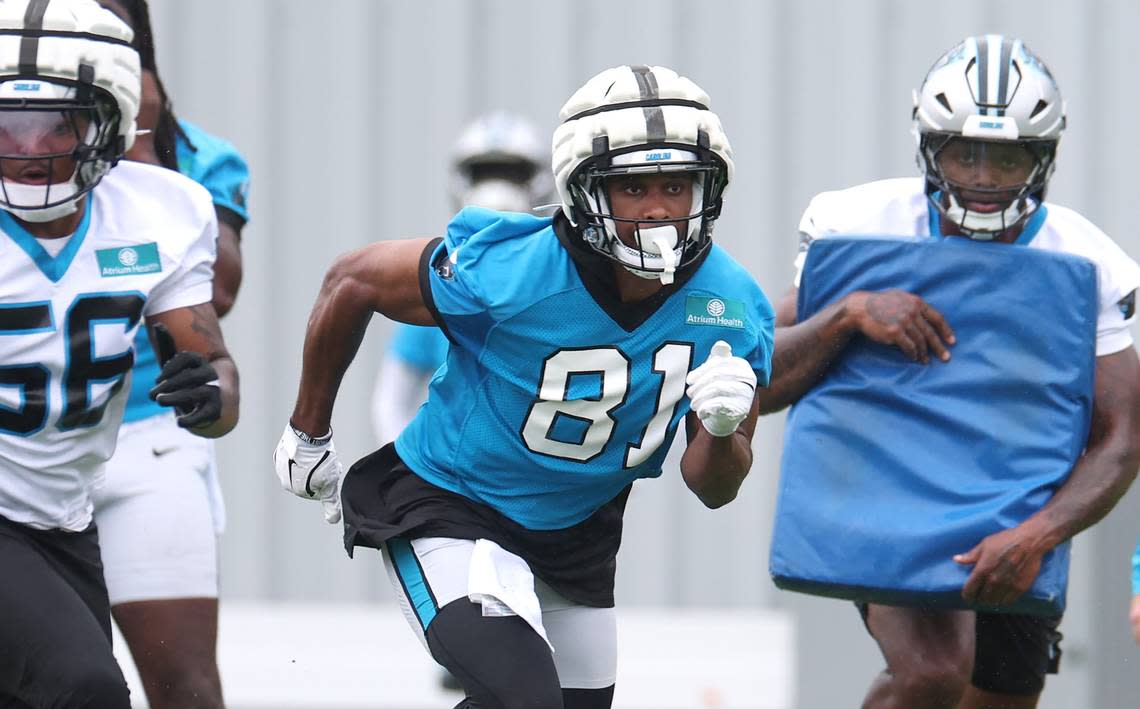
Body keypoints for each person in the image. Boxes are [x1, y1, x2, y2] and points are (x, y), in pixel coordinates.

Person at [275, 65, 774, 708]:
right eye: (633, 188)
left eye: (677, 186)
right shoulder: (515, 268)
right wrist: (307, 430)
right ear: (585, 191)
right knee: (524, 700)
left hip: (579, 534)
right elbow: (353, 279)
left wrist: (727, 431)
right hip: (454, 503)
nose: (657, 209)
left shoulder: (733, 306)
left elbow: (713, 488)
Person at [757, 35, 1140, 708]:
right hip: (889, 486)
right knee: (933, 673)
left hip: (1015, 501)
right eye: (966, 151)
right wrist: (846, 312)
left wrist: (1038, 531)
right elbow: (755, 377)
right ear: (930, 147)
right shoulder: (862, 226)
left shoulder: (1092, 262)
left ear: (1042, 156)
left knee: (998, 698)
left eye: (1008, 154)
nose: (986, 176)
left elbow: (1122, 435)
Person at [0, 0, 240, 707]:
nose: (30, 147)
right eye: (8, 125)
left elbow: (215, 370)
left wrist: (211, 394)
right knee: (87, 689)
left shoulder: (162, 210)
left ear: (108, 120)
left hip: (61, 513)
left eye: (56, 125)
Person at [89, 1, 249, 707]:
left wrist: (141, 146)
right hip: (23, 439)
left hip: (148, 436)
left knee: (185, 684)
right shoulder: (20, 155)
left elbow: (218, 289)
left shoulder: (200, 157)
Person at [372, 111, 548, 444]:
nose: (497, 189)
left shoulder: (564, 278)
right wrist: (405, 470)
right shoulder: (439, 284)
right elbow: (390, 400)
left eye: (512, 174)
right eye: (483, 173)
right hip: (458, 481)